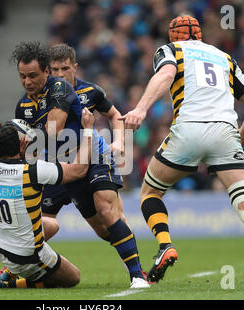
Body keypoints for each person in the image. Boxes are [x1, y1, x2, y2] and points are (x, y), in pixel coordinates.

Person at [120, 15, 244, 290]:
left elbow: (165, 75)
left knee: (150, 192)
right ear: (198, 36)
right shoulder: (225, 57)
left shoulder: (171, 50)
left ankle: (165, 245)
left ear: (173, 36)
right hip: (226, 132)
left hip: (189, 128)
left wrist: (140, 109)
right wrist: (242, 136)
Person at [11, 41, 148, 288]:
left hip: (92, 154)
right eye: (22, 77)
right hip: (62, 167)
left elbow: (53, 130)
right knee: (98, 229)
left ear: (46, 72)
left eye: (32, 75)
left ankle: (137, 275)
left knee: (107, 210)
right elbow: (31, 148)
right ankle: (15, 272)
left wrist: (120, 144)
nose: (27, 81)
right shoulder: (23, 106)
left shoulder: (62, 89)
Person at [0, 108, 93, 289]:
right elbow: (80, 169)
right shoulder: (34, 171)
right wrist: (89, 130)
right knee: (73, 278)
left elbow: (10, 167)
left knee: (52, 225)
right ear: (22, 144)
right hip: (26, 256)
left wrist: (22, 156)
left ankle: (8, 272)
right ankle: (7, 285)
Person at [41, 43, 127, 242]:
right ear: (48, 70)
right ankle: (13, 269)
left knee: (109, 224)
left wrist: (120, 141)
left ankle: (137, 270)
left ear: (75, 67)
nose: (60, 74)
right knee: (41, 224)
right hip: (55, 167)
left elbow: (115, 115)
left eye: (65, 68)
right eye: (55, 70)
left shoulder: (90, 91)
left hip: (90, 163)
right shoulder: (41, 95)